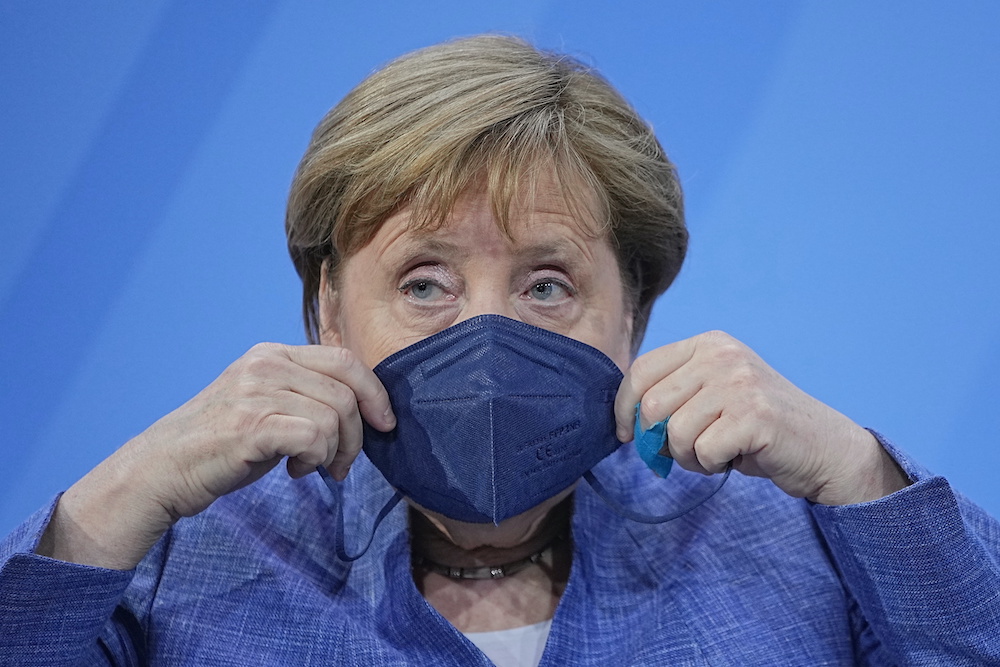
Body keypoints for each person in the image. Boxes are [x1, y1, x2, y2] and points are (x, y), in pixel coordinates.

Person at [1, 34, 998, 666]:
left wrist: (863, 477)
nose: (487, 335)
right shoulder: (182, 564)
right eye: (424, 282)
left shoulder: (798, 543)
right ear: (330, 314)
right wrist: (114, 503)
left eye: (547, 284)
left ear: (631, 319)